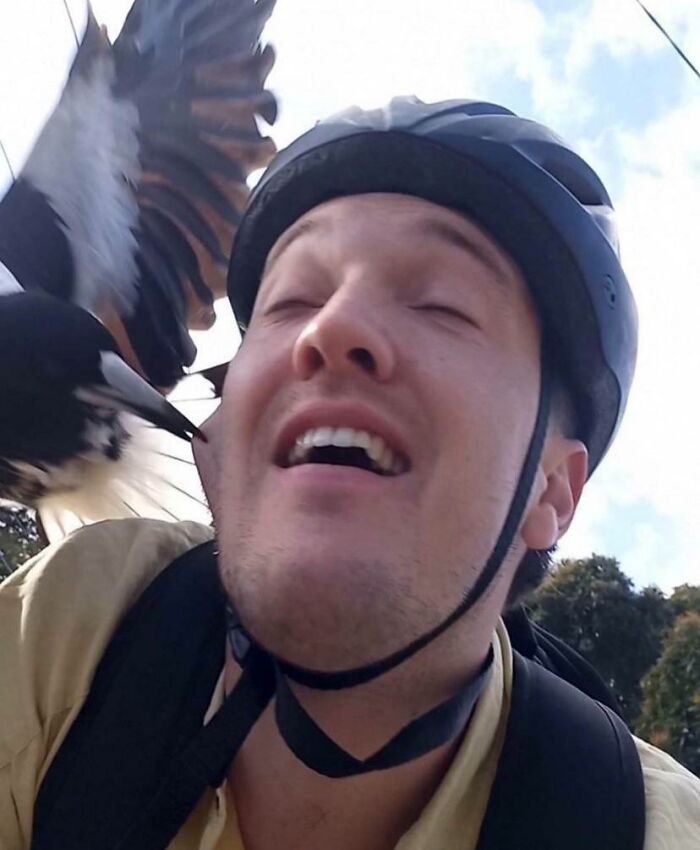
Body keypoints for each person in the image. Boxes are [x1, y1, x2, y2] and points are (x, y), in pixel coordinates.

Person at [1, 97, 699, 850]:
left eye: (443, 304)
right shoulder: (78, 626)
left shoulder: (646, 829)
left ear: (553, 491)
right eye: (292, 298)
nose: (330, 327)